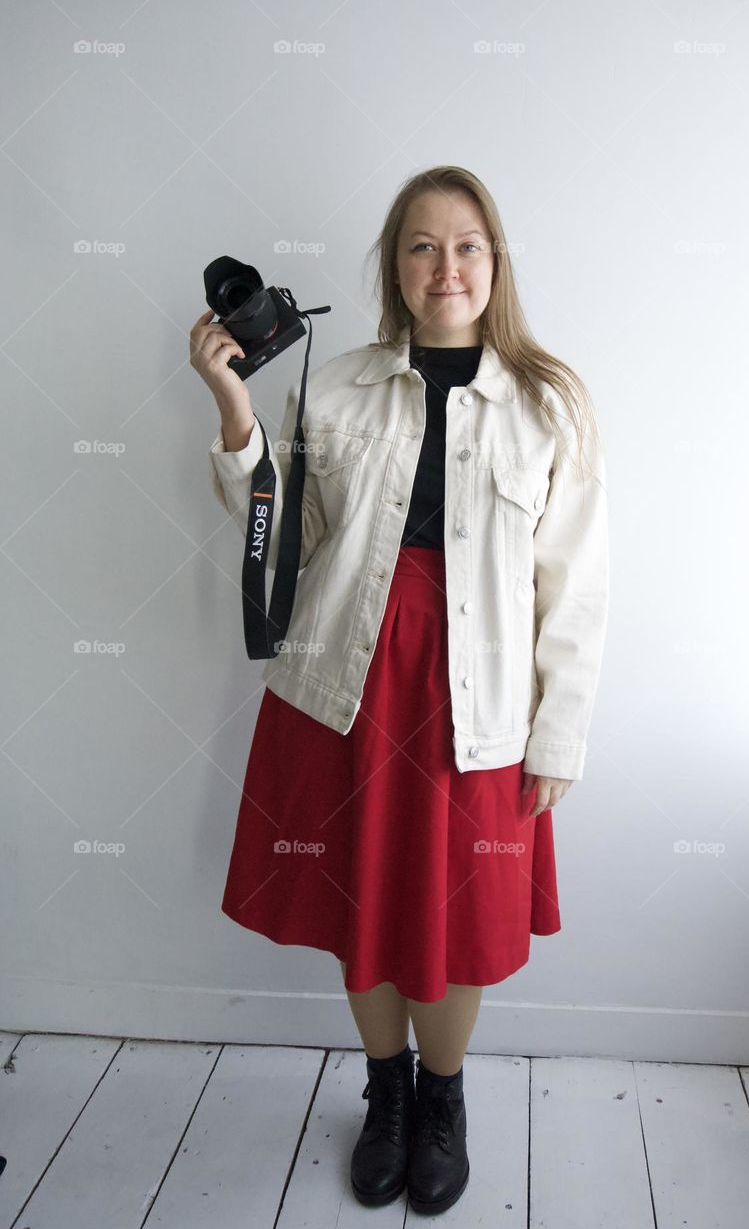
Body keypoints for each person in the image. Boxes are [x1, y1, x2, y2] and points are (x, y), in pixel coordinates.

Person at [190, 165, 609, 1216]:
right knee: (363, 902)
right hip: (343, 680)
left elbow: (577, 584)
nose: (445, 265)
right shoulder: (335, 386)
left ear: (495, 261)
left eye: (465, 244)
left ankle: (443, 1099)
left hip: (480, 702)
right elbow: (279, 539)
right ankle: (385, 1097)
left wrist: (555, 733)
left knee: (455, 914)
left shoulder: (550, 402)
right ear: (394, 266)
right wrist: (236, 408)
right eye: (421, 245)